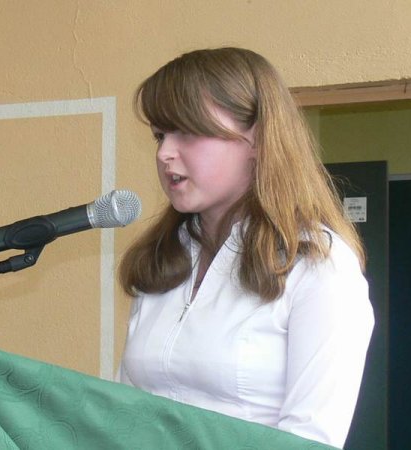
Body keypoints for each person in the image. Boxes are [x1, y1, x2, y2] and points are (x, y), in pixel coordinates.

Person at [117, 47, 374, 449]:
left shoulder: (318, 266)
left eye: (186, 131)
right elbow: (122, 415)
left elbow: (310, 440)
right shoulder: (162, 260)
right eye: (159, 135)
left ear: (256, 138)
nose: (164, 152)